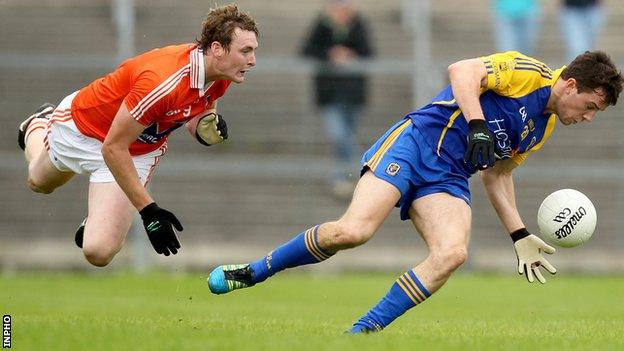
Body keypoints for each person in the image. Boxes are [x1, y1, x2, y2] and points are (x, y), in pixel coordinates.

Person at [207, 50, 623, 333]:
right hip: (415, 143)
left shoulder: (543, 127)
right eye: (590, 107)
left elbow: (497, 175)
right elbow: (462, 70)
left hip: (448, 176)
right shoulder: (528, 72)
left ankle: (361, 332)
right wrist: (477, 123)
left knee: (452, 253)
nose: (587, 118)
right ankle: (254, 272)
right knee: (353, 232)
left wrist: (518, 234)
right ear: (570, 85)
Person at [17, 4, 259, 267]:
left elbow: (196, 116)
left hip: (137, 150)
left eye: (253, 50)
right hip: (83, 128)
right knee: (38, 182)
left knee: (98, 252)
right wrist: (149, 211)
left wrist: (207, 127)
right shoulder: (163, 82)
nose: (252, 60)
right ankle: (38, 124)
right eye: (245, 51)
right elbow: (112, 147)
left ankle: (98, 220)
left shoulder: (222, 75)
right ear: (216, 48)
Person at [301, 0, 374, 199]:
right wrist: (330, 54)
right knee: (340, 136)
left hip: (353, 94)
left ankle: (343, 176)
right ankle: (356, 172)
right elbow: (307, 50)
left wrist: (350, 55)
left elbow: (369, 52)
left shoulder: (358, 25)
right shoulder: (322, 25)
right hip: (329, 94)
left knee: (347, 135)